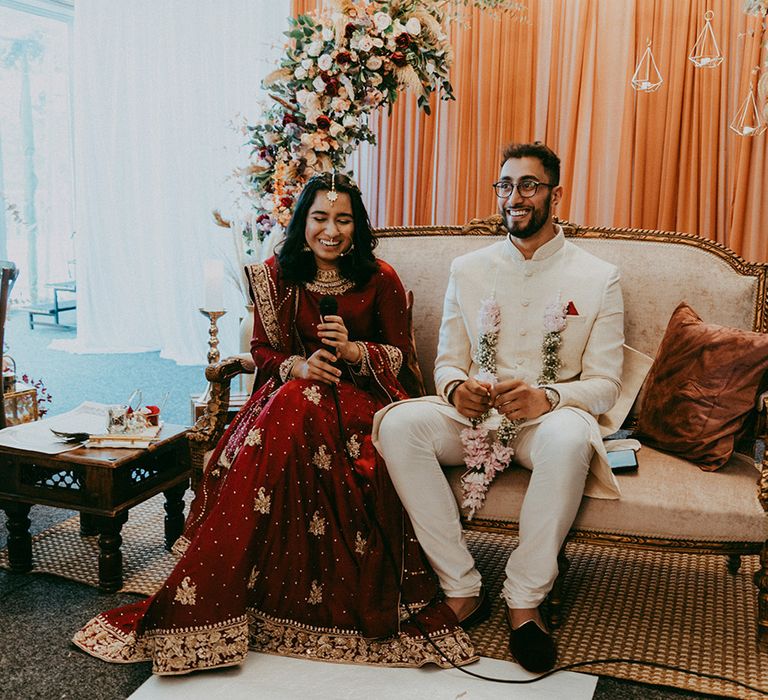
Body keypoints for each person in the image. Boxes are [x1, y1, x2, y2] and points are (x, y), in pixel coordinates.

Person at [73, 172, 476, 675]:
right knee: (296, 397)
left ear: (359, 225)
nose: (332, 230)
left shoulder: (380, 278)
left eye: (344, 220)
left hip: (363, 402)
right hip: (290, 397)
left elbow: (401, 359)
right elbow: (262, 350)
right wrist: (300, 366)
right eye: (321, 218)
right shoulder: (275, 275)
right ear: (303, 222)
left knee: (293, 406)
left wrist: (353, 351)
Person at [375, 142, 624, 674]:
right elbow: (447, 361)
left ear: (555, 194)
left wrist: (549, 396)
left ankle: (525, 601)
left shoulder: (599, 276)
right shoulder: (467, 268)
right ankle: (462, 587)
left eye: (529, 185)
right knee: (398, 425)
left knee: (569, 436)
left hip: (545, 420)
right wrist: (454, 388)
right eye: (506, 185)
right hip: (473, 418)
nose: (516, 196)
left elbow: (604, 385)